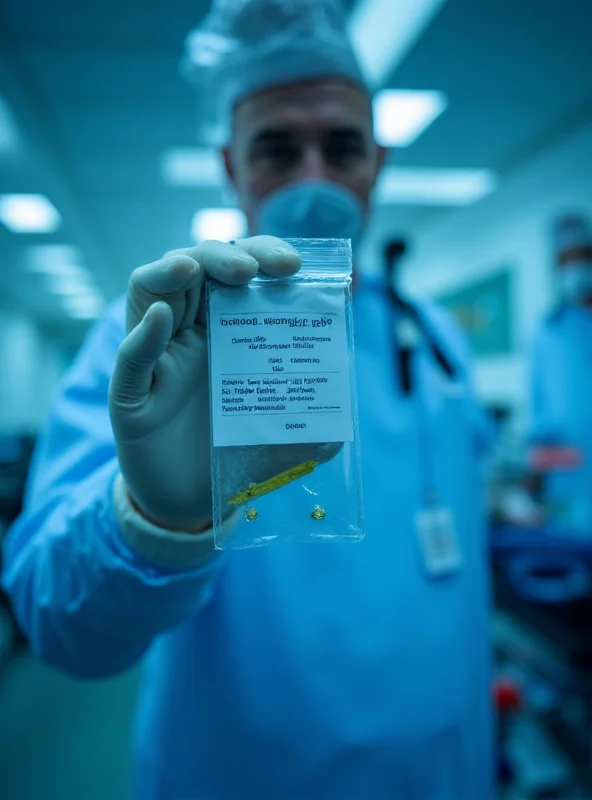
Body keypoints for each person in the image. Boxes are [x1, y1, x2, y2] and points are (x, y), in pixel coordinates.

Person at [2, 1, 494, 797]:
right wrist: (155, 520)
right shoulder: (158, 341)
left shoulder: (436, 339)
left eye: (341, 147)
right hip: (245, 770)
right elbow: (62, 631)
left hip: (444, 765)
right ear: (232, 167)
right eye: (277, 149)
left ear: (380, 160)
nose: (314, 179)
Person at [528, 212, 592, 537]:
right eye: (565, 260)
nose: (575, 267)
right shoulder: (546, 333)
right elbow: (544, 422)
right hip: (566, 488)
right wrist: (535, 478)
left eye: (582, 256)